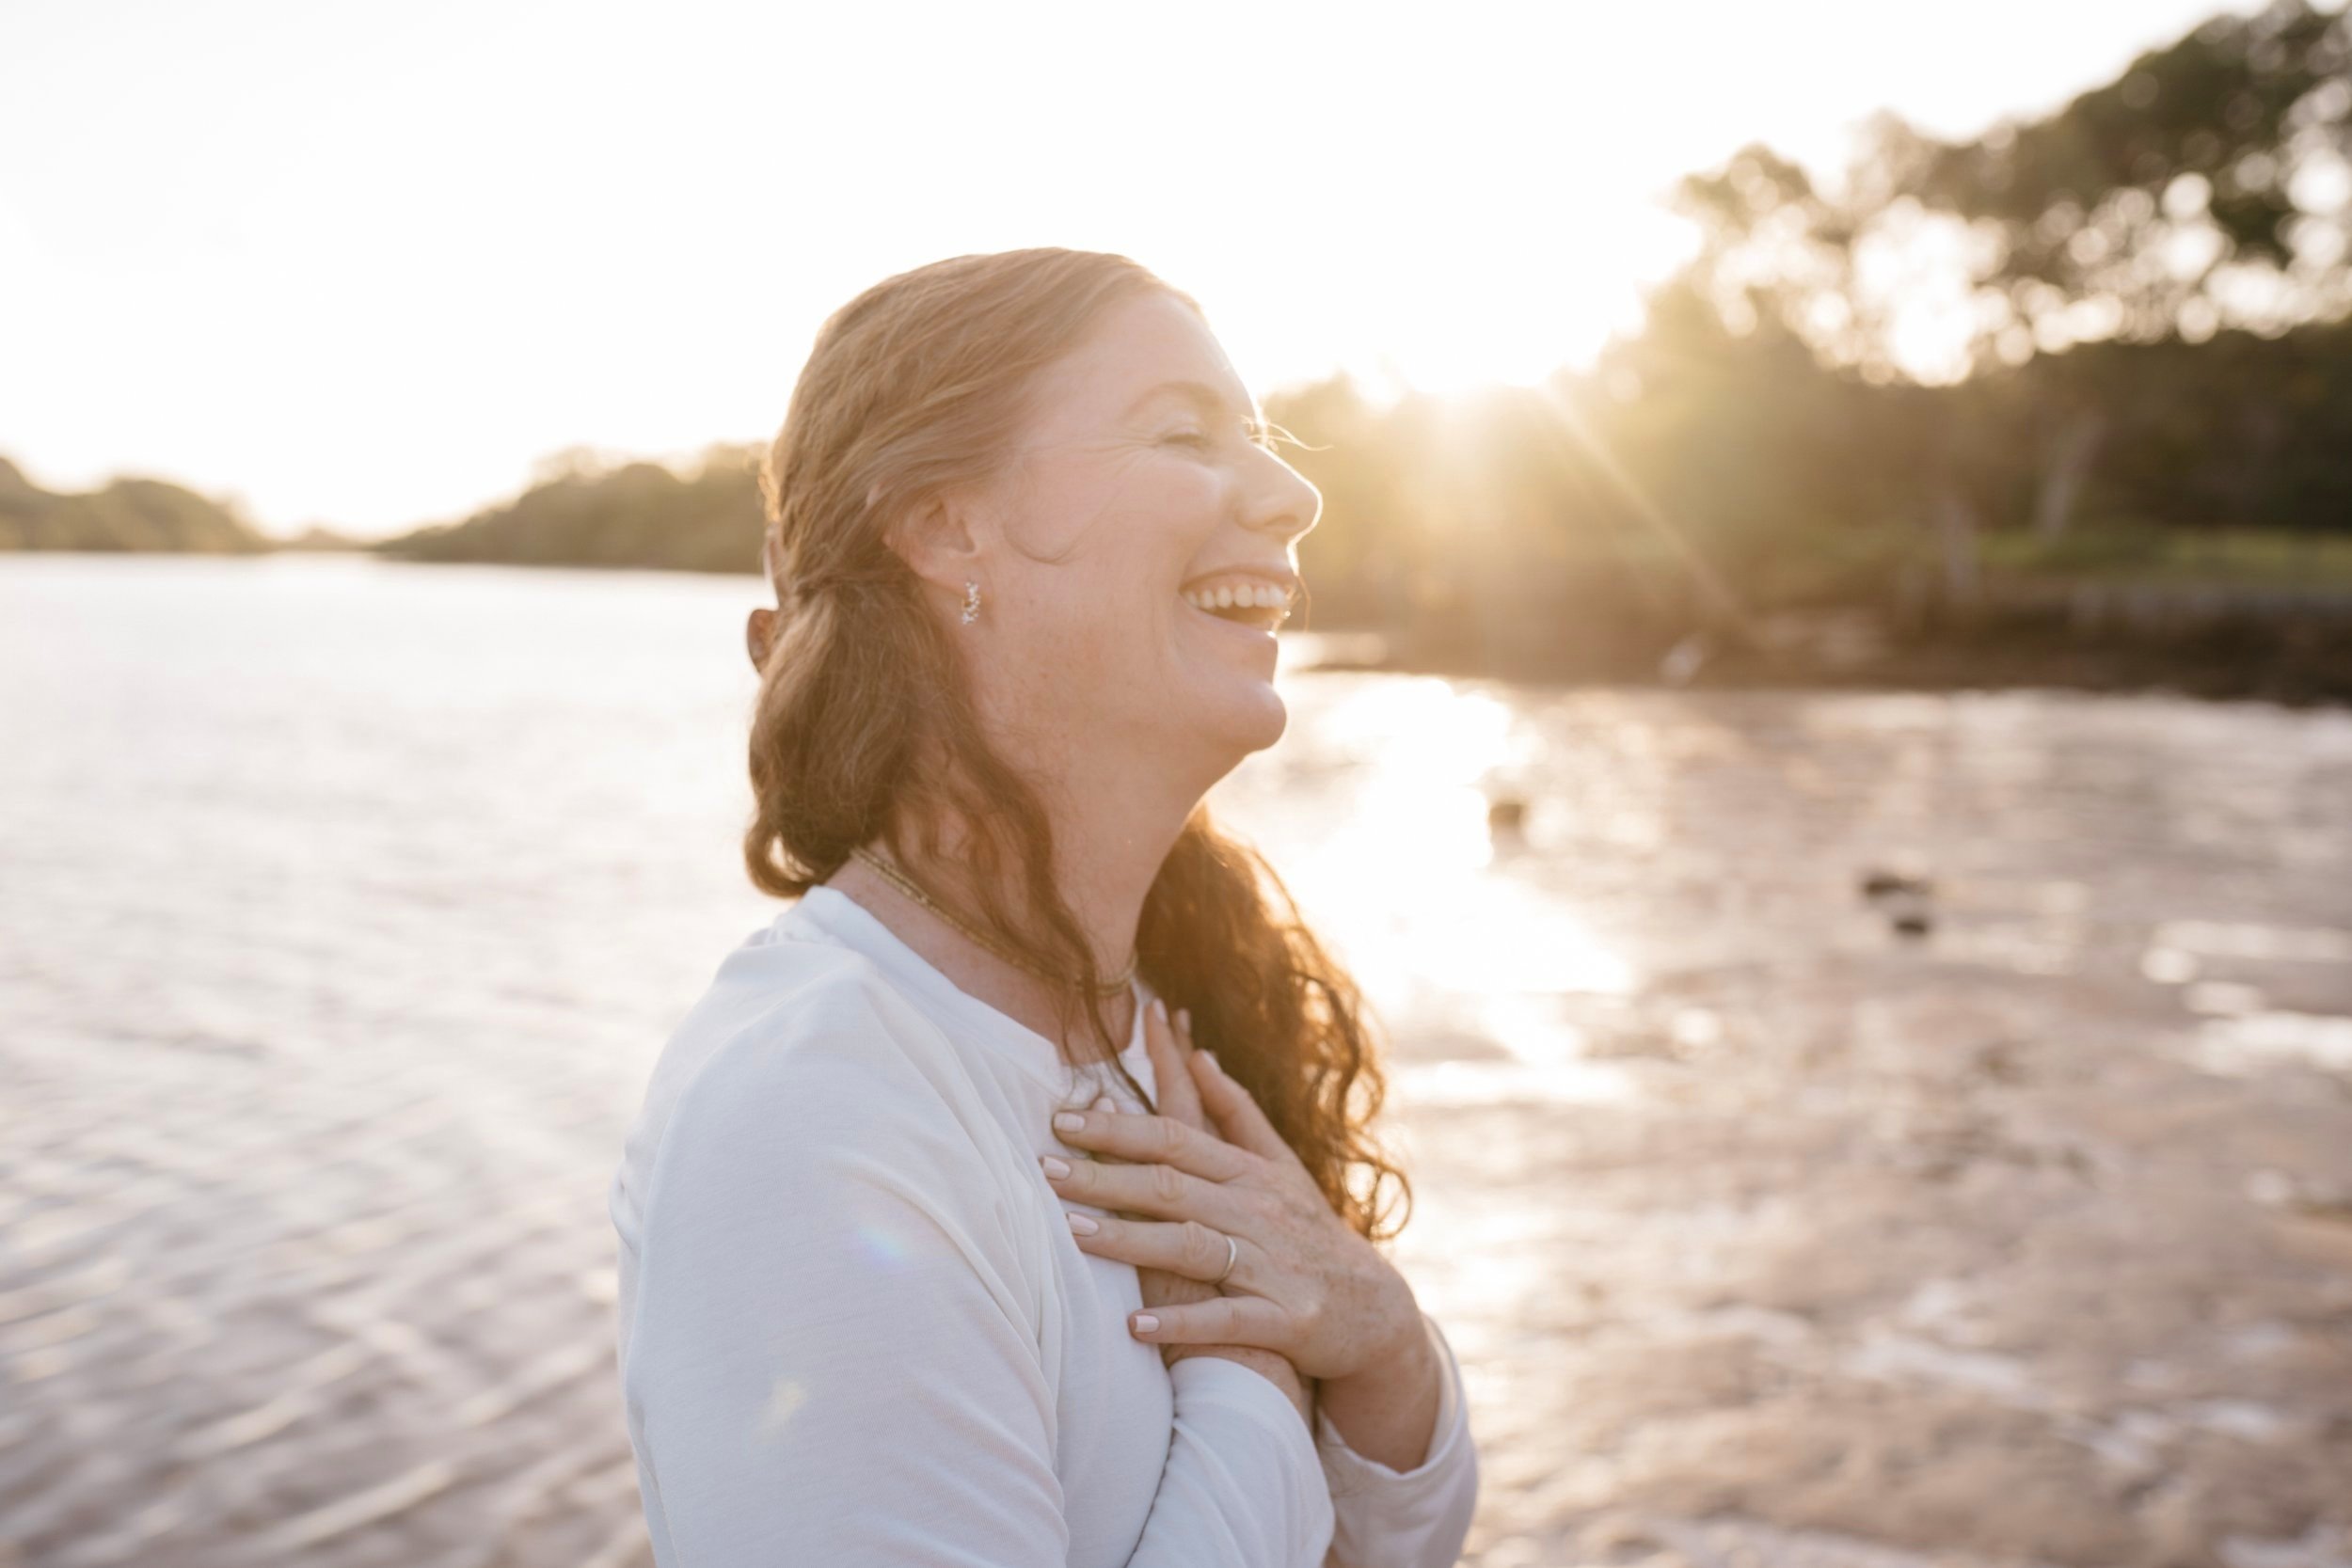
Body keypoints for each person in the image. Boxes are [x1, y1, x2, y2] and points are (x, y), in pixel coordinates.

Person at [609, 247, 1479, 1565]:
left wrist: (1381, 1339)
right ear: (946, 526)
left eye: (1264, 442)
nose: (1297, 495)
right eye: (1185, 433)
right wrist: (1248, 1367)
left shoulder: (1171, 1030)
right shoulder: (808, 1114)